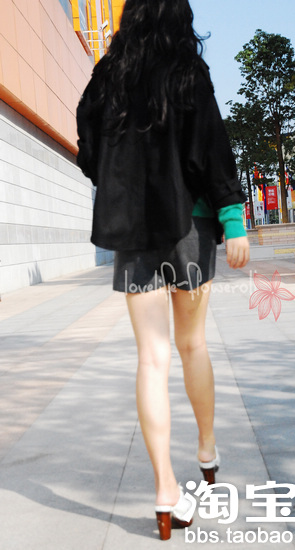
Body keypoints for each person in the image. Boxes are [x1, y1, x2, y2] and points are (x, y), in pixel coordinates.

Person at [76, 0, 249, 540]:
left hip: (134, 232)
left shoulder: (110, 74)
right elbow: (212, 147)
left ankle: (165, 490)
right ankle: (207, 450)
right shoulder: (187, 70)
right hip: (189, 227)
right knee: (192, 345)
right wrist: (232, 218)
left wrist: (117, 180)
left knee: (151, 358)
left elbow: (87, 142)